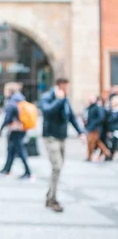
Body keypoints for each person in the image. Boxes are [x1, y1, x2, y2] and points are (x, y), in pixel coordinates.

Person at [40, 78, 86, 213]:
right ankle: (52, 199)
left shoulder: (65, 98)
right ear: (60, 86)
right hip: (51, 137)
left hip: (62, 137)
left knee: (58, 168)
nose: (68, 89)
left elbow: (71, 116)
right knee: (57, 167)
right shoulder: (47, 97)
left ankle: (49, 196)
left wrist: (80, 132)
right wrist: (58, 100)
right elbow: (47, 112)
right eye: (66, 87)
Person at [0, 82, 33, 181]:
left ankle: (28, 172)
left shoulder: (12, 101)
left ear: (10, 91)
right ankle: (7, 169)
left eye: (5, 90)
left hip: (15, 129)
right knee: (11, 149)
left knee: (19, 150)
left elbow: (7, 117)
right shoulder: (21, 99)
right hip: (21, 128)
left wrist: (1, 128)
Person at [85, 95, 110, 161]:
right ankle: (106, 153)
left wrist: (94, 124)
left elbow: (101, 117)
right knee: (94, 142)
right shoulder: (91, 107)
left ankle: (106, 153)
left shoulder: (97, 107)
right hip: (91, 127)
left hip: (95, 128)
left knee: (94, 142)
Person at [105, 96, 118, 161]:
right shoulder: (110, 110)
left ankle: (111, 155)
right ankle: (109, 155)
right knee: (109, 143)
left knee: (114, 143)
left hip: (116, 130)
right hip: (110, 129)